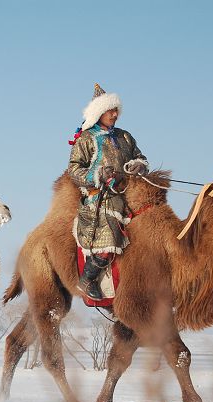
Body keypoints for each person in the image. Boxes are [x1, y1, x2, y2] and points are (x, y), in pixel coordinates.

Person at [68, 83, 149, 301]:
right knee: (111, 232)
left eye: (116, 110)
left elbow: (141, 157)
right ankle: (88, 278)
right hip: (100, 199)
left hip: (129, 193)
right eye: (110, 110)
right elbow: (74, 169)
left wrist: (138, 165)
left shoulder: (125, 137)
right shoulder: (86, 139)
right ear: (98, 112)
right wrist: (98, 176)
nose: (115, 114)